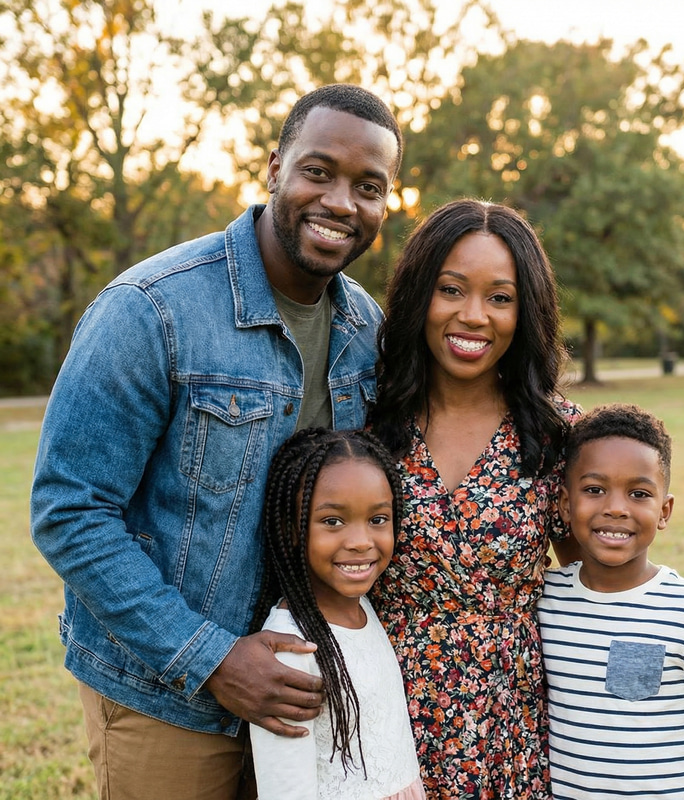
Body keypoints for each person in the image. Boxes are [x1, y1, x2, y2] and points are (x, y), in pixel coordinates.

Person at [29, 83, 403, 800]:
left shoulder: (366, 332)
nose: (340, 203)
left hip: (307, 694)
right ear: (274, 167)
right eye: (317, 171)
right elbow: (70, 511)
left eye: (369, 187)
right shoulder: (152, 310)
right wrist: (214, 659)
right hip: (168, 694)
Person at [367, 199, 684, 800]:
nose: (474, 316)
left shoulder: (555, 433)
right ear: (420, 294)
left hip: (514, 723)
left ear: (526, 312)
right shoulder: (365, 418)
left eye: (500, 297)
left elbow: (603, 564)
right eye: (451, 289)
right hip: (383, 708)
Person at [538, 403, 684, 799]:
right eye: (594, 490)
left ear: (664, 511)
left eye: (638, 493)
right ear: (565, 504)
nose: (616, 508)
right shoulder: (543, 602)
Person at [248, 428, 425, 799]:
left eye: (378, 519)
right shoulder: (290, 647)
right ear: (290, 528)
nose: (361, 541)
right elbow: (285, 789)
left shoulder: (365, 608)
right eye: (332, 521)